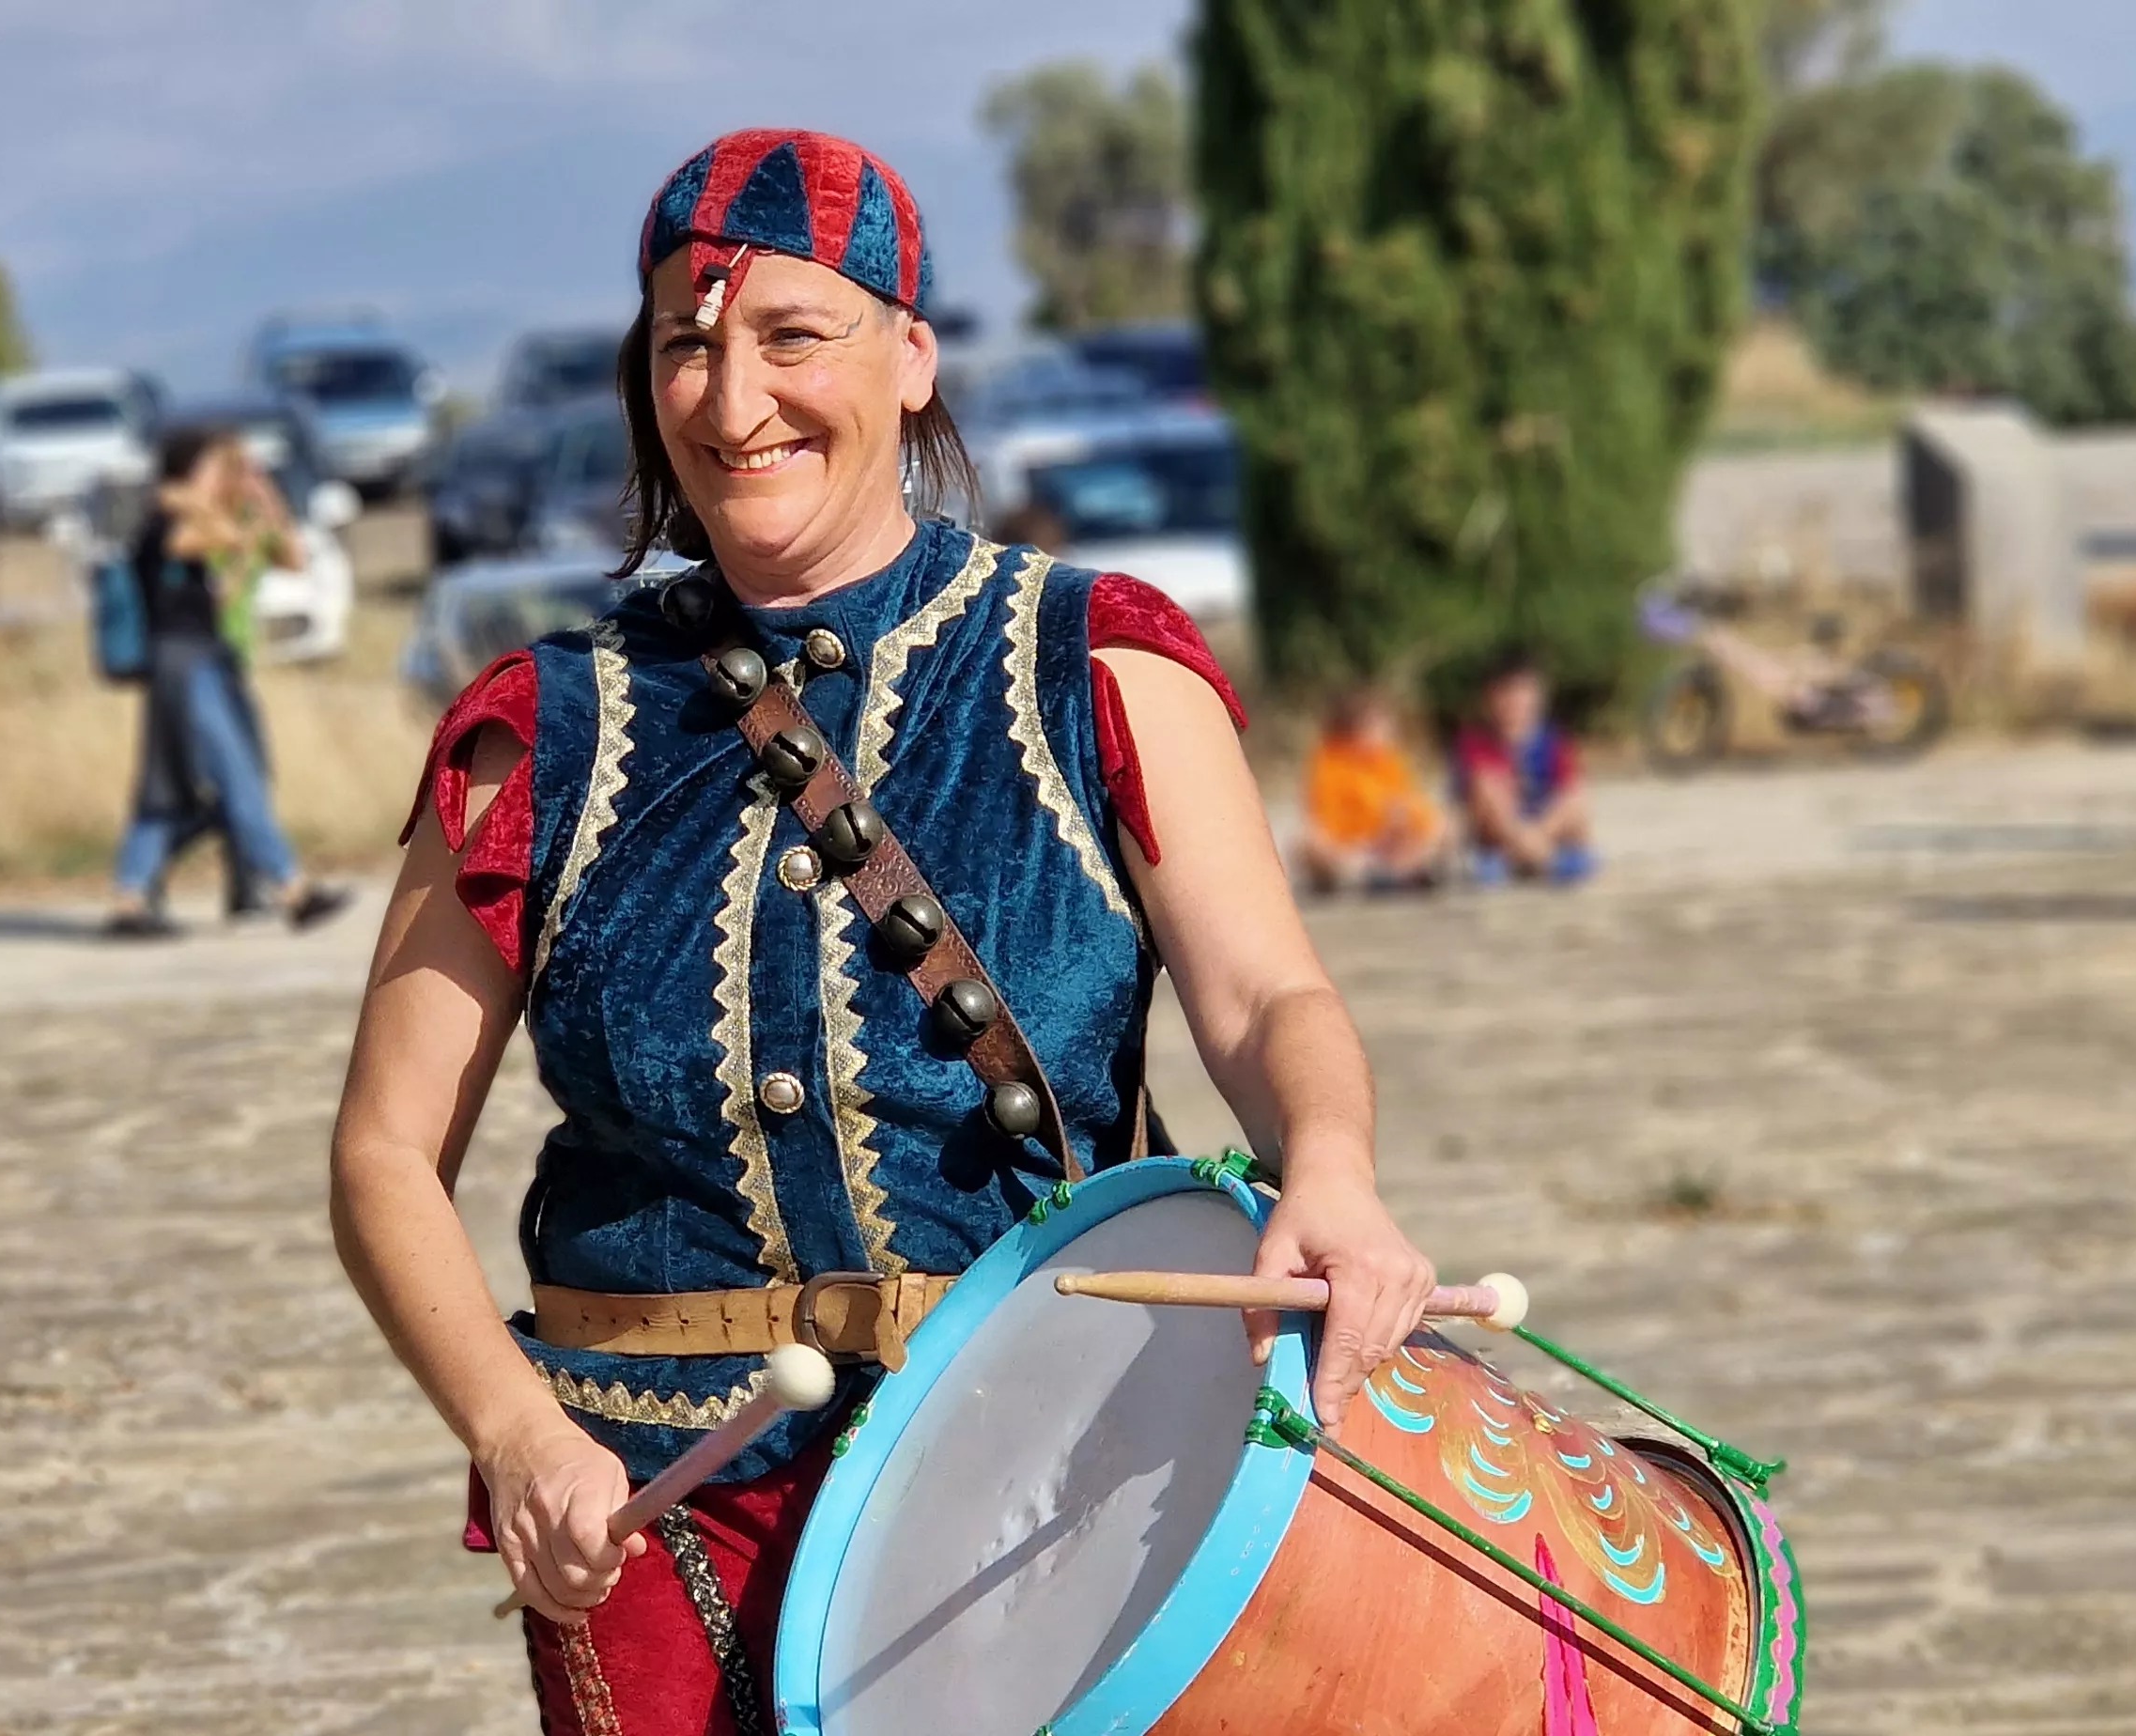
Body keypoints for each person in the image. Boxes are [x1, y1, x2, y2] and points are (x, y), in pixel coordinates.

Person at [328, 129, 1432, 1728]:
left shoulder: (1097, 666)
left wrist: (1328, 1160)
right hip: (660, 1504)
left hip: (1054, 1474)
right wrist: (509, 1428)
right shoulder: (532, 735)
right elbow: (382, 1150)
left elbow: (1266, 996)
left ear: (912, 356)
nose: (730, 398)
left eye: (794, 335)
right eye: (686, 346)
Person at [103, 428, 349, 938]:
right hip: (186, 664)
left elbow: (251, 559)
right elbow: (224, 537)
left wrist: (256, 500)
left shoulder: (176, 520)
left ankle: (130, 899)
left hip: (201, 657)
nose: (224, 481)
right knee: (236, 774)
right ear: (187, 472)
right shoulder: (167, 524)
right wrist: (210, 501)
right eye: (213, 470)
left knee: (166, 780)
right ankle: (291, 889)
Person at [1452, 651, 1592, 886]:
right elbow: (1480, 795)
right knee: (1486, 787)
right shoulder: (1475, 741)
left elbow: (1571, 791)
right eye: (1506, 692)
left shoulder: (1554, 741)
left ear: (1539, 696)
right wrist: (1519, 835)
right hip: (1499, 832)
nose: (1515, 701)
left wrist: (1538, 834)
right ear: (1489, 697)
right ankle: (1540, 858)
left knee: (1575, 797)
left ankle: (1530, 854)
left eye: (1524, 691)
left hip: (1543, 826)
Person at [1296, 688, 1446, 895]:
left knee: (1439, 825)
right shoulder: (1329, 760)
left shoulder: (1389, 761)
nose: (1387, 733)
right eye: (1379, 726)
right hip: (1349, 846)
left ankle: (1395, 872)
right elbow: (1324, 818)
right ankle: (1375, 874)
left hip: (1385, 842)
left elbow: (1412, 807)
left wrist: (1397, 821)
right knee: (1310, 842)